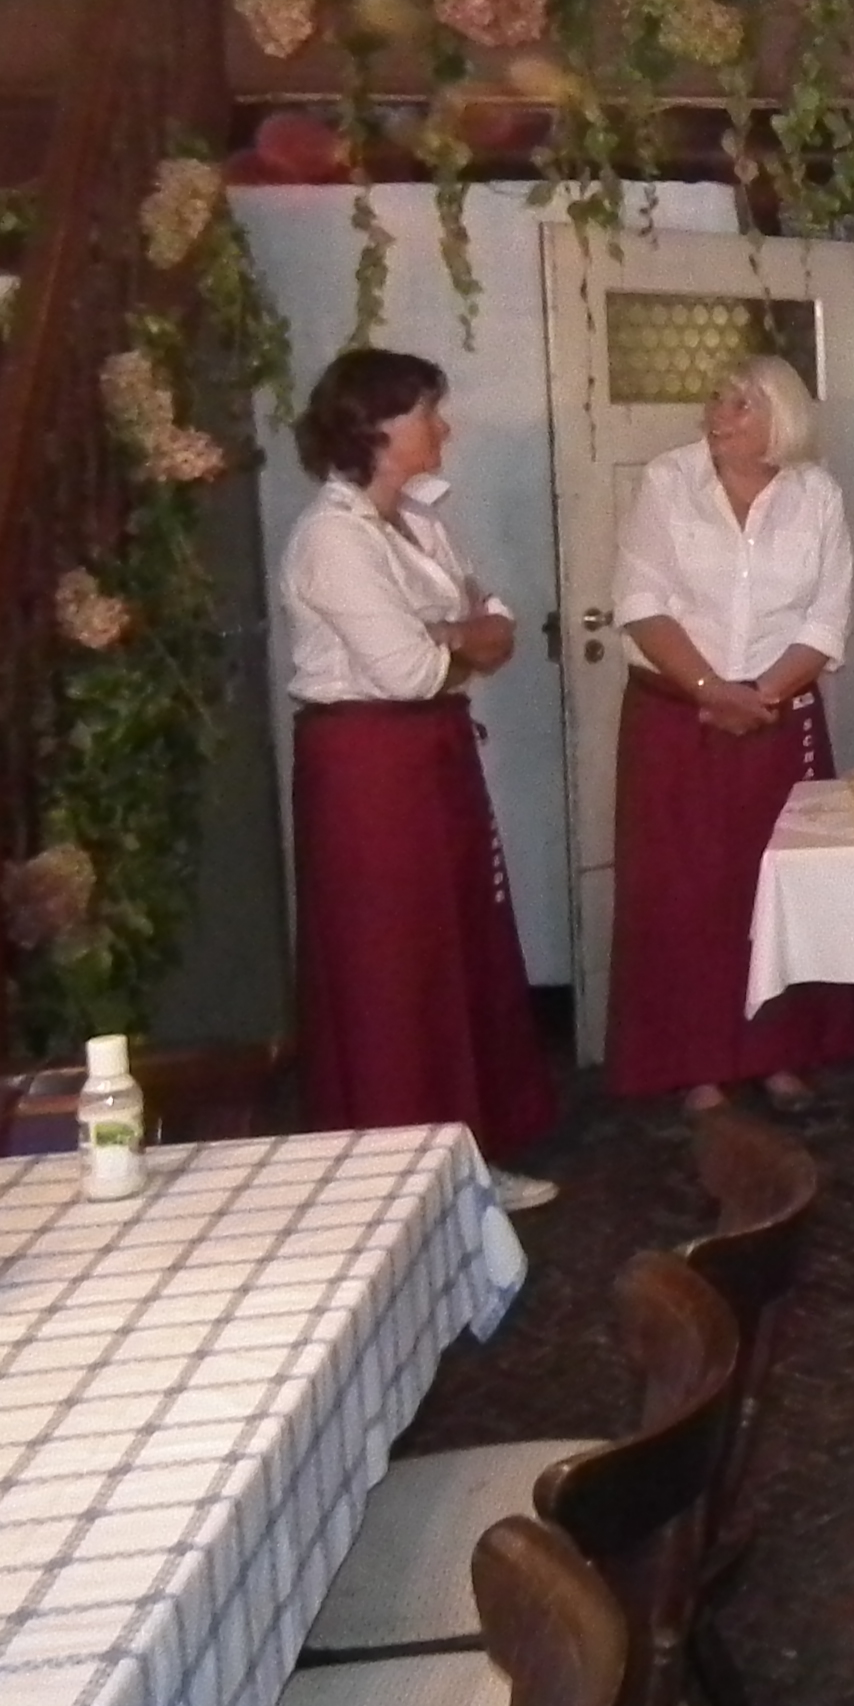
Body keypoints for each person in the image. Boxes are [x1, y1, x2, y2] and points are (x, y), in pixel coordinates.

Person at [277, 348, 561, 1209]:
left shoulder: (416, 519)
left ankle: (464, 1154)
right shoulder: (333, 536)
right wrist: (455, 637)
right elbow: (405, 670)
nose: (444, 427)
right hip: (368, 768)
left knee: (454, 950)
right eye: (427, 413)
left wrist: (453, 634)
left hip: (431, 752)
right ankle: (397, 1173)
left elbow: (496, 620)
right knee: (393, 966)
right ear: (374, 425)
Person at [603, 356, 854, 1115]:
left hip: (777, 713)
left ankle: (778, 1054)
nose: (717, 415)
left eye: (740, 405)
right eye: (716, 400)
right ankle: (697, 1067)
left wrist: (763, 695)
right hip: (677, 713)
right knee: (686, 890)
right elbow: (641, 600)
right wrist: (709, 689)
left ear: (782, 418)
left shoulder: (816, 495)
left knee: (776, 885)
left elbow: (826, 618)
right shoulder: (669, 481)